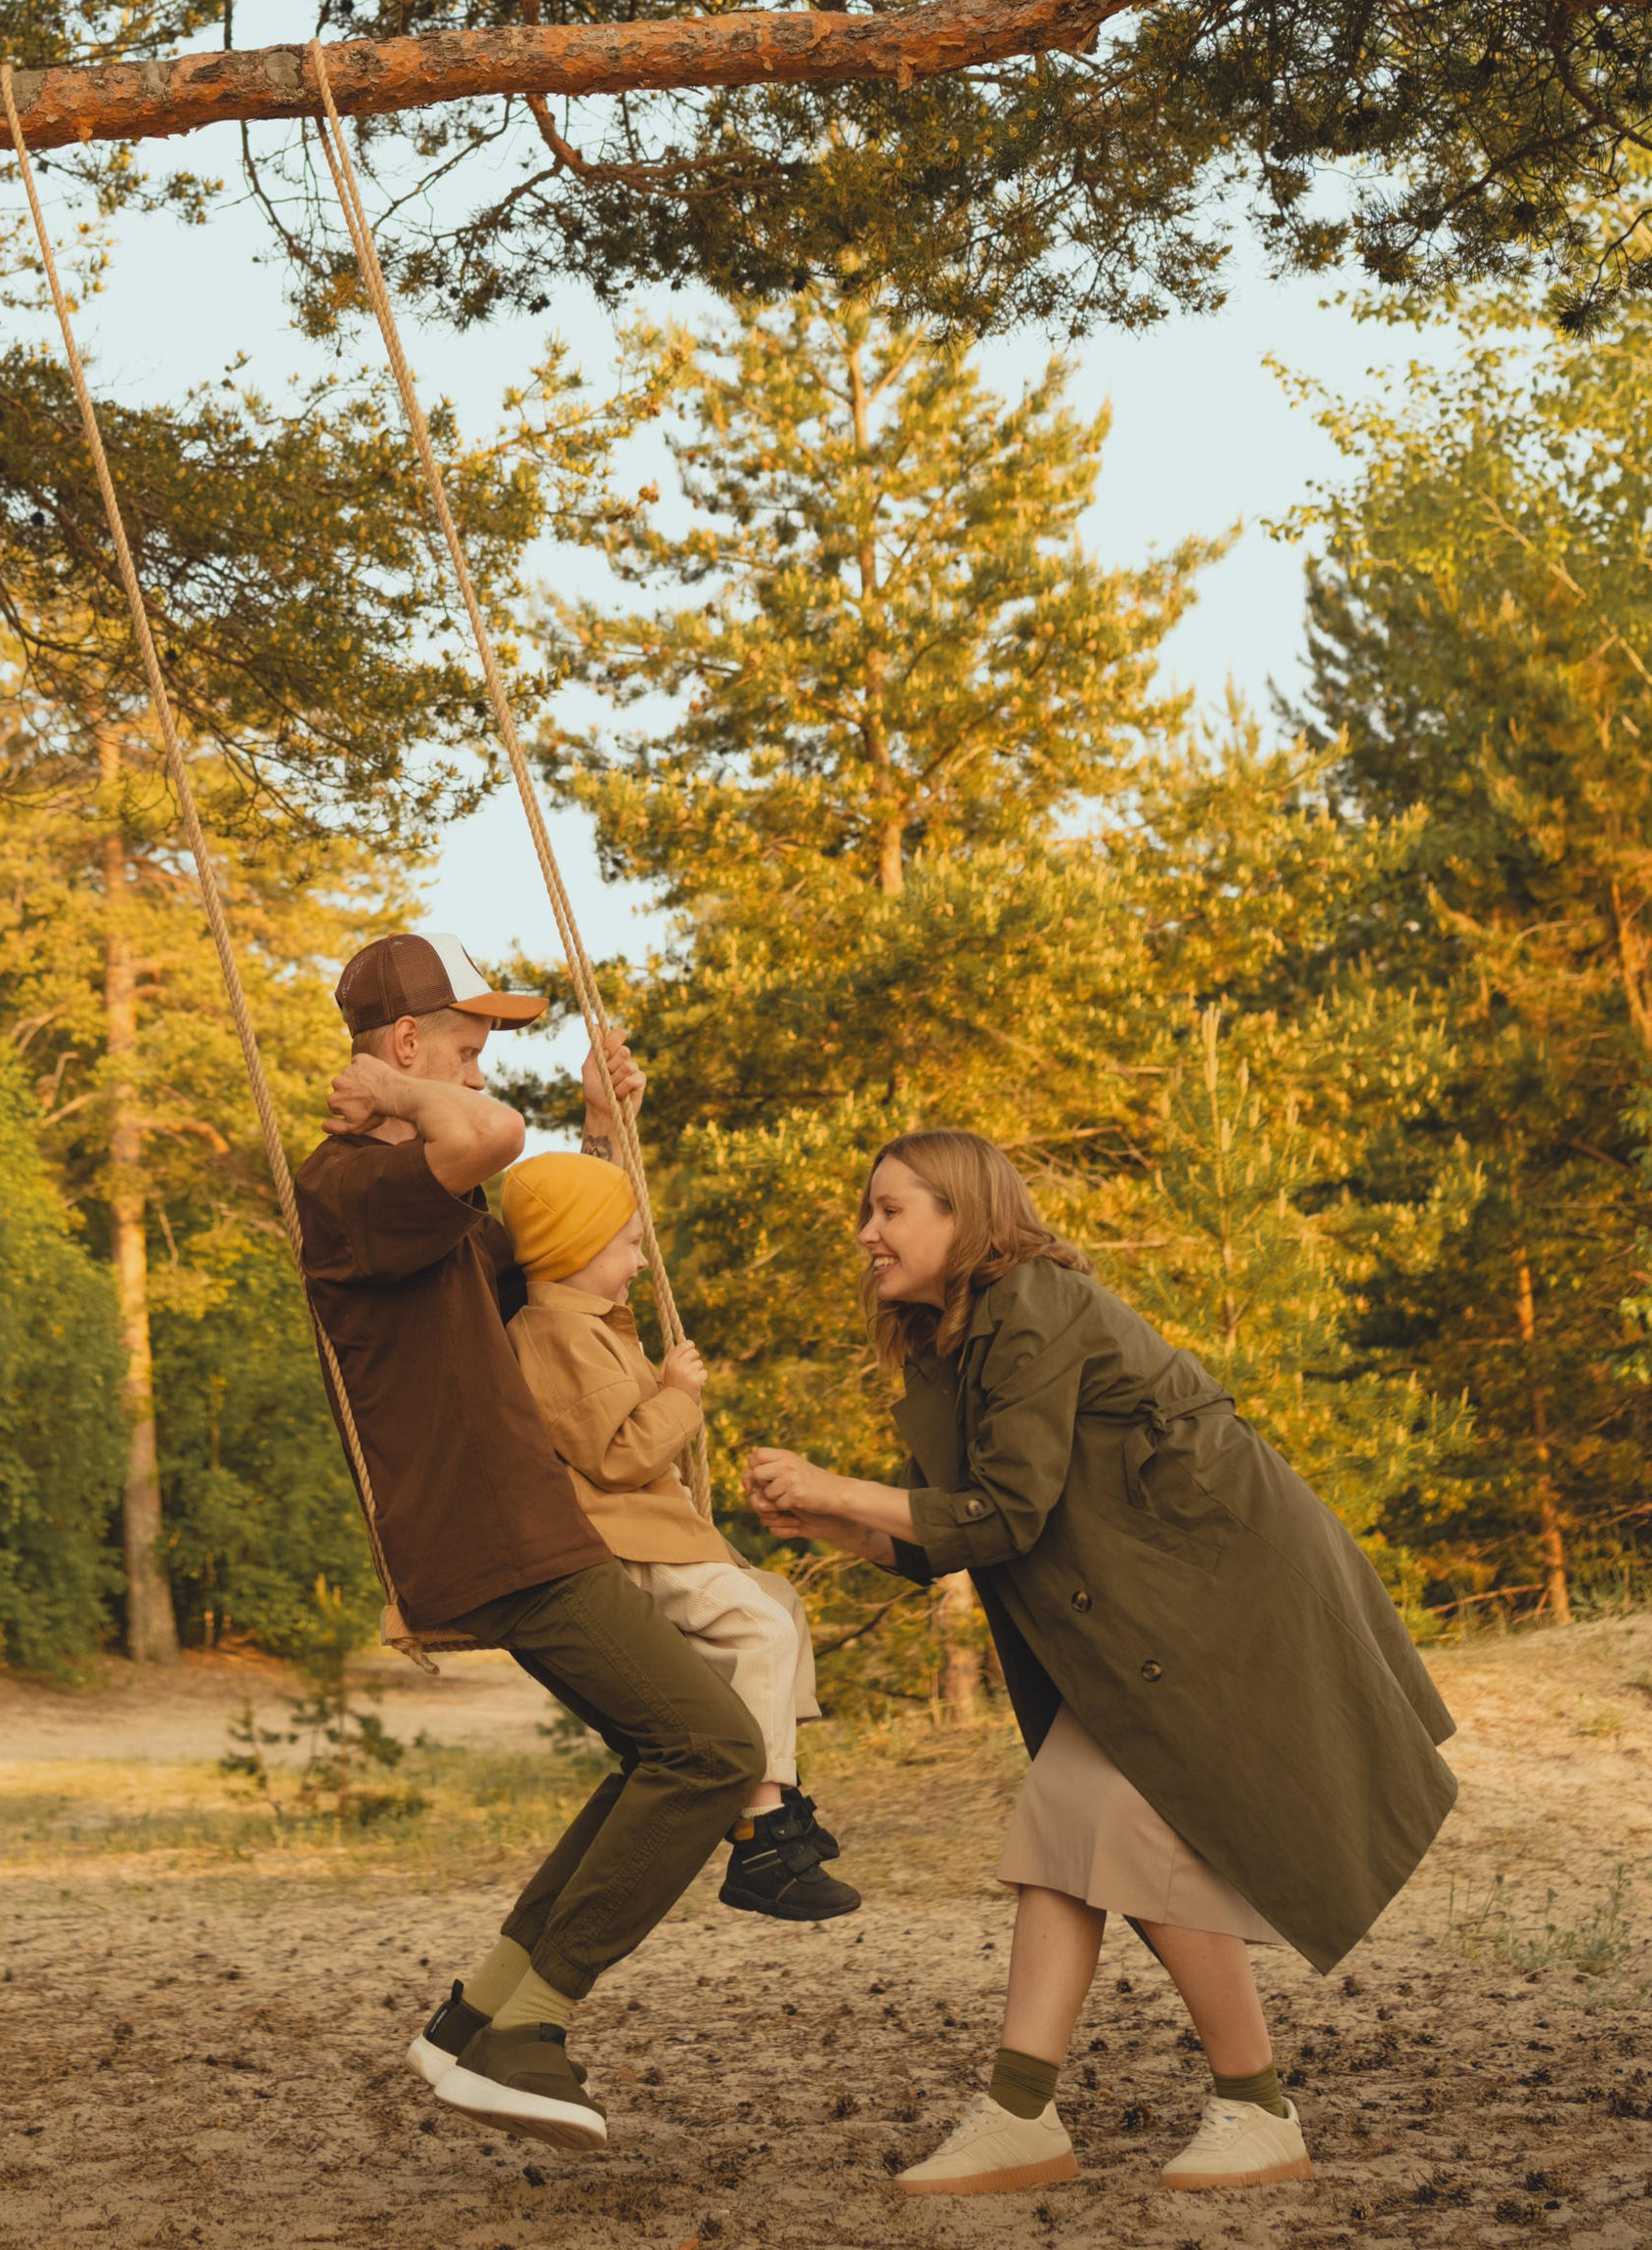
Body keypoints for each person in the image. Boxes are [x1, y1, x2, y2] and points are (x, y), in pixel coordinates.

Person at [746, 1129, 1457, 2201]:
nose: (866, 1233)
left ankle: (1239, 2111)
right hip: (1158, 1607)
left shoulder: (1031, 1301)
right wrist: (825, 1522)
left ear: (962, 1214)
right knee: (1078, 1814)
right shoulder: (952, 1345)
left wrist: (831, 1485)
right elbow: (946, 1533)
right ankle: (1038, 2115)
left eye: (890, 1210)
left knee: (1102, 1809)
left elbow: (1004, 1512)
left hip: (1225, 1590)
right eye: (868, 1211)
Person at [297, 928, 767, 2155]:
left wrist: (603, 1137)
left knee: (652, 1752)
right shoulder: (356, 1186)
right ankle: (531, 2034)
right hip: (498, 1536)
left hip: (521, 1527)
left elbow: (544, 1253)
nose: (478, 1068)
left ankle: (479, 2018)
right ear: (402, 1045)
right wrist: (412, 1097)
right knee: (713, 1746)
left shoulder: (426, 1206)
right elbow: (488, 1139)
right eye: (464, 1044)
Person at [499, 1148, 856, 1923]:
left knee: (776, 1603)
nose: (637, 1260)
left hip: (656, 1532)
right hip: (628, 1538)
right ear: (575, 1247)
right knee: (758, 1624)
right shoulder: (557, 1334)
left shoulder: (587, 1326)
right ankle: (762, 1830)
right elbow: (618, 1454)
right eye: (627, 1243)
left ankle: (774, 1794)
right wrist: (678, 1397)